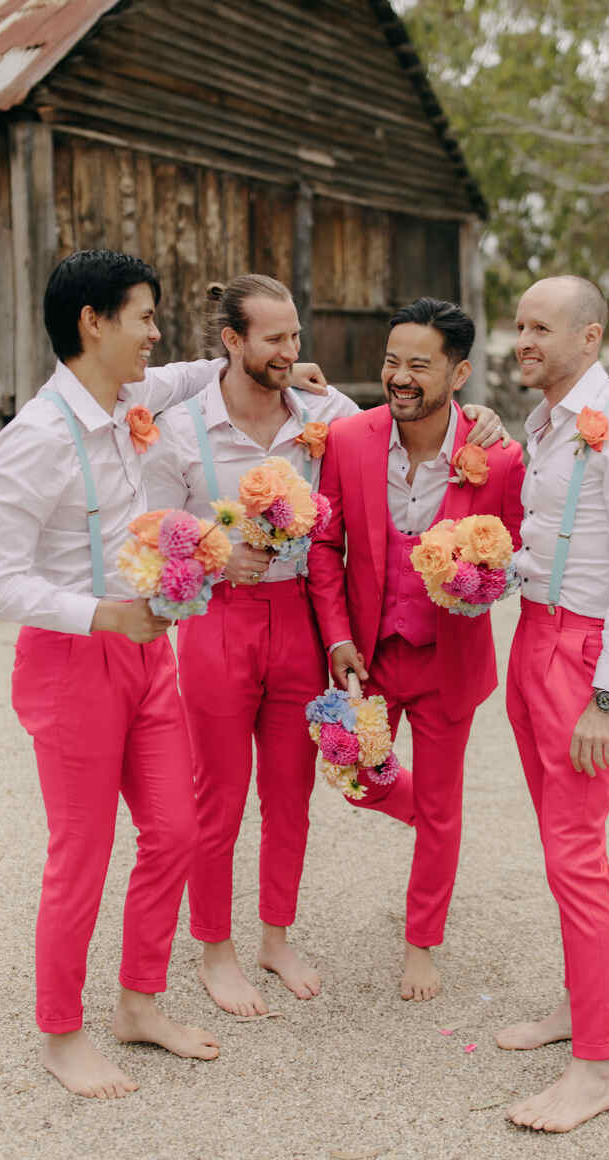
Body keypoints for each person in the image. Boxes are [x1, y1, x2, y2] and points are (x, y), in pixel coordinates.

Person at [0, 250, 327, 1097]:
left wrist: (284, 361)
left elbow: (204, 366)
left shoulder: (134, 397)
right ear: (92, 323)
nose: (156, 334)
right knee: (81, 855)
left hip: (146, 657)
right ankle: (61, 1036)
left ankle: (137, 1002)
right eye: (143, 318)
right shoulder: (35, 440)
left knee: (173, 831)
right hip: (71, 662)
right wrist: (100, 614)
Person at [144, 277, 505, 1018]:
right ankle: (216, 949)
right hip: (218, 625)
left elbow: (413, 414)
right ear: (232, 342)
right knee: (216, 798)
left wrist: (480, 418)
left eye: (296, 339)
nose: (292, 353)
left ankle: (275, 937)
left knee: (291, 795)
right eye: (275, 340)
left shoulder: (325, 415)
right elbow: (154, 537)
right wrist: (215, 557)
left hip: (301, 625)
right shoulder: (179, 430)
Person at [307, 298, 525, 1002]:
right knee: (351, 775)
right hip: (367, 653)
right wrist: (337, 636)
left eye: (418, 366)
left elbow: (512, 557)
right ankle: (428, 814)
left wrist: (481, 586)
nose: (398, 377)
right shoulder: (346, 438)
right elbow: (323, 546)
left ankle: (421, 942)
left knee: (442, 797)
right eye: (390, 362)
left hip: (448, 659)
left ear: (458, 373)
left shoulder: (498, 458)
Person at [497, 275, 609, 1133]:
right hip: (532, 635)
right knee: (553, 839)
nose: (522, 340)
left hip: (586, 654)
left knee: (574, 853)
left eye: (540, 328)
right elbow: (544, 540)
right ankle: (578, 1002)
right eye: (519, 325)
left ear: (590, 336)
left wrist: (606, 693)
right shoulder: (543, 422)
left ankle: (596, 1067)